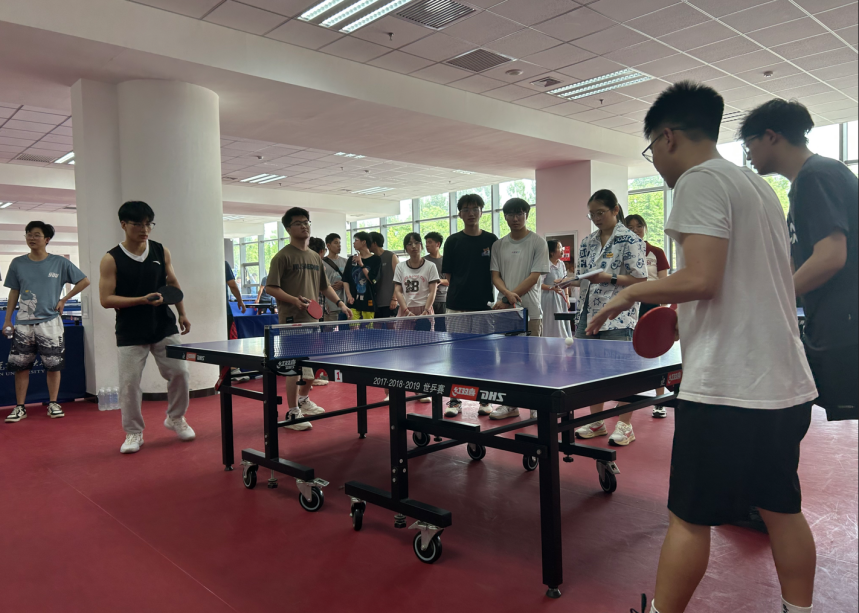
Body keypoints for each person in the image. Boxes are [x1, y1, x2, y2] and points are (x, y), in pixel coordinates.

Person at [587, 82, 818, 613]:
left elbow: (703, 279)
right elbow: (746, 282)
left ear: (667, 137)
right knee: (782, 510)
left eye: (651, 148)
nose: (656, 160)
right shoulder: (759, 188)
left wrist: (629, 294)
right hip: (784, 384)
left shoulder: (698, 180)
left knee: (689, 520)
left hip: (728, 389)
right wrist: (683, 321)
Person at [740, 99, 858, 423]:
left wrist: (772, 299)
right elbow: (798, 260)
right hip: (834, 324)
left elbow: (831, 257)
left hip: (849, 325)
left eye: (749, 144)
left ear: (771, 136)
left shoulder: (816, 176)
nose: (748, 155)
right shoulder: (806, 182)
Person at [99, 201, 194, 454]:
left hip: (164, 324)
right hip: (130, 330)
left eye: (148, 224)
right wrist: (141, 300)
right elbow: (106, 299)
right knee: (129, 384)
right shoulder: (111, 259)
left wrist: (182, 313)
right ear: (123, 224)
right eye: (138, 224)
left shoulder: (161, 251)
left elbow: (173, 283)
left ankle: (175, 417)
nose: (145, 229)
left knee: (181, 373)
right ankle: (133, 432)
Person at [561, 190, 646, 444]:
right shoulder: (587, 242)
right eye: (592, 214)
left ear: (615, 210)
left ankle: (625, 426)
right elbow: (585, 276)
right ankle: (596, 422)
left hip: (619, 315)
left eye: (601, 212)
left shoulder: (630, 239)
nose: (596, 218)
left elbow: (640, 280)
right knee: (590, 372)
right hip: (587, 314)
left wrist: (608, 277)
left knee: (622, 375)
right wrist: (568, 281)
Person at [266, 208, 352, 430]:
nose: (304, 226)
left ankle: (303, 400)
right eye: (298, 223)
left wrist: (341, 303)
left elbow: (324, 286)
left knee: (310, 367)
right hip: (292, 320)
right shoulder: (282, 257)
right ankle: (292, 412)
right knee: (293, 368)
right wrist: (294, 300)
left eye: (306, 222)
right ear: (288, 228)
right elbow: (271, 288)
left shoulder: (315, 257)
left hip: (313, 320)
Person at [3, 221, 90, 422]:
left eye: (36, 234)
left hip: (50, 322)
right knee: (21, 367)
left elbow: (84, 281)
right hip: (23, 323)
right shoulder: (17, 263)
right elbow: (14, 292)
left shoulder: (59, 262)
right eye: (28, 234)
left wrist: (64, 299)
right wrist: (8, 320)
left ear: (47, 239)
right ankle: (20, 407)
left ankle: (53, 403)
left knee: (53, 365)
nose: (31, 238)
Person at [488, 197, 550, 420]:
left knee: (533, 359)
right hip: (505, 312)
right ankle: (510, 405)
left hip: (530, 311)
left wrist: (509, 297)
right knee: (507, 359)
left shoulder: (538, 242)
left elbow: (534, 277)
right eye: (511, 214)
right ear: (505, 217)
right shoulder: (498, 245)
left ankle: (535, 405)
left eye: (519, 214)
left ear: (526, 215)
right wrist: (507, 296)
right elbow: (495, 276)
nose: (515, 218)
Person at [441, 194, 498, 417]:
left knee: (485, 356)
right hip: (457, 307)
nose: (471, 213)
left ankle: (485, 399)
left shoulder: (492, 240)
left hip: (483, 307)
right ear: (460, 214)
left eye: (475, 208)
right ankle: (455, 401)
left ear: (482, 211)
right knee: (457, 356)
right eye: (466, 209)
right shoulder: (453, 241)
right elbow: (449, 275)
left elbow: (496, 272)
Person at [624, 214, 671, 418]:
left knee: (655, 353)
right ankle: (625, 401)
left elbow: (664, 284)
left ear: (644, 228)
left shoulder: (656, 252)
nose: (635, 230)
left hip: (650, 305)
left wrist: (662, 312)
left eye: (639, 226)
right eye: (630, 227)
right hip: (628, 306)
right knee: (628, 356)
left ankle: (660, 401)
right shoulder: (622, 253)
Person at [393, 233, 440, 317]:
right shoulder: (400, 267)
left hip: (425, 308)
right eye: (409, 244)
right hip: (405, 308)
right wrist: (406, 311)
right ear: (406, 248)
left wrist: (426, 310)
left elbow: (433, 291)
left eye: (416, 242)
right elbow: (398, 291)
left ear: (421, 246)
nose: (413, 246)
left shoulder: (431, 266)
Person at [343, 231, 381, 320]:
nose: (353, 243)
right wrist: (349, 295)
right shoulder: (351, 259)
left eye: (356, 240)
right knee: (353, 327)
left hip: (368, 301)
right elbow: (345, 279)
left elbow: (372, 280)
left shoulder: (376, 259)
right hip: (353, 302)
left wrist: (361, 264)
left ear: (363, 242)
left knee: (368, 327)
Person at [539, 239, 571, 339]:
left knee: (563, 321)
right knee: (551, 321)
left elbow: (565, 282)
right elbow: (539, 284)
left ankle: (563, 342)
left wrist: (567, 298)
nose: (562, 250)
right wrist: (552, 288)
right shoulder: (545, 265)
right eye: (559, 248)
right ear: (552, 252)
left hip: (561, 297)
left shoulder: (561, 264)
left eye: (562, 247)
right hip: (549, 298)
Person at [369, 231, 399, 318]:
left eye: (368, 242)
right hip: (375, 302)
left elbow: (399, 279)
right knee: (377, 325)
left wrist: (395, 298)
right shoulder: (372, 259)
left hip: (389, 302)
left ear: (374, 243)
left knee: (391, 325)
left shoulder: (391, 256)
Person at [322, 233, 348, 322]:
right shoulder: (322, 262)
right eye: (336, 243)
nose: (339, 245)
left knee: (344, 329)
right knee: (328, 328)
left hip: (344, 304)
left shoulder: (345, 262)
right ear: (328, 246)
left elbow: (351, 280)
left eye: (339, 243)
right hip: (329, 305)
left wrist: (343, 283)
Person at [424, 232, 448, 316]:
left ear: (438, 244)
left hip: (442, 300)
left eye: (430, 242)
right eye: (426, 242)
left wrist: (439, 281)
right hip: (426, 300)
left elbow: (452, 280)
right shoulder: (423, 261)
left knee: (442, 323)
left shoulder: (446, 261)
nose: (427, 245)